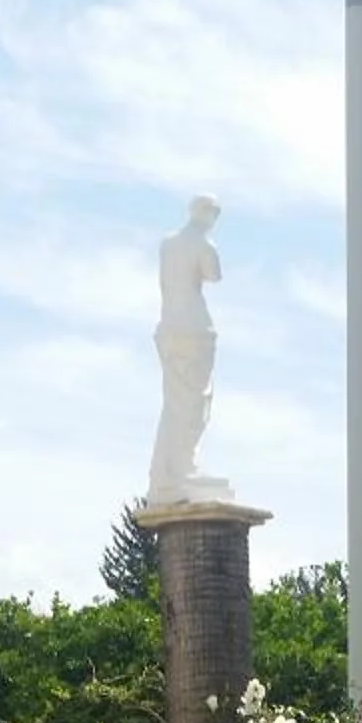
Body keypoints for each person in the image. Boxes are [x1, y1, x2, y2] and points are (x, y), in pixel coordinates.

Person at [149, 197, 223, 503]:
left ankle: (167, 472)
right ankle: (182, 467)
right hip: (194, 327)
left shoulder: (168, 244)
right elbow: (214, 274)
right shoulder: (205, 246)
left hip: (169, 325)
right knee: (194, 400)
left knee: (175, 401)